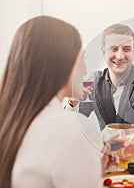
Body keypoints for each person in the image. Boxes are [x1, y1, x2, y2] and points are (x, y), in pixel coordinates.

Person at [0, 16, 107, 188]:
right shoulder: (72, 129)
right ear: (61, 62)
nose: (85, 69)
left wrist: (91, 166)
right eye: (81, 59)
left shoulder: (14, 118)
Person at [67, 23, 134, 139]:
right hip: (106, 154)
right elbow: (74, 126)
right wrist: (72, 104)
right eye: (114, 49)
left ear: (133, 52)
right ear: (103, 51)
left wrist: (108, 136)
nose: (119, 56)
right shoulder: (93, 82)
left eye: (126, 49)